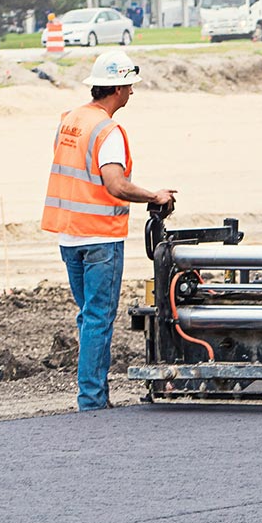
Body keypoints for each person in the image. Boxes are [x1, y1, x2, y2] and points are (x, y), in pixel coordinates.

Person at [42, 49, 176, 410]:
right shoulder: (108, 131)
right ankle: (92, 400)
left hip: (69, 235)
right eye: (129, 85)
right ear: (117, 88)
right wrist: (154, 194)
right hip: (100, 237)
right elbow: (115, 184)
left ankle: (90, 394)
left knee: (87, 315)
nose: (131, 91)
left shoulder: (70, 120)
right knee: (98, 318)